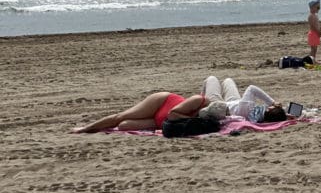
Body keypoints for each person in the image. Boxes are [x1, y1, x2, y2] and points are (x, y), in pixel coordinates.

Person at [71, 91, 208, 133]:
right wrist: (195, 120)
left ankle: (97, 128)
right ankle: (86, 128)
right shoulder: (200, 100)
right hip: (162, 103)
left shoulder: (210, 121)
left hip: (158, 122)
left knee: (124, 126)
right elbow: (172, 114)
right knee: (120, 117)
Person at [200, 76, 287, 122]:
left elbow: (252, 88)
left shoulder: (248, 107)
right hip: (235, 104)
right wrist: (285, 115)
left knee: (212, 79)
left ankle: (199, 105)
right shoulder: (256, 118)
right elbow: (275, 114)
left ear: (269, 109)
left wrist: (272, 102)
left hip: (219, 107)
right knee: (228, 80)